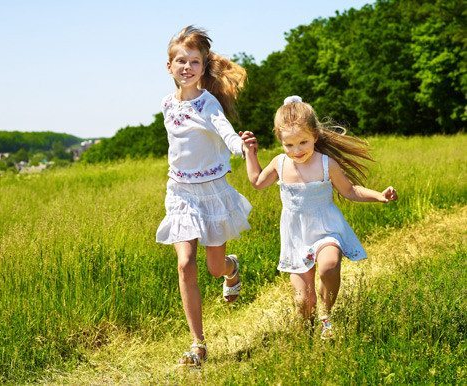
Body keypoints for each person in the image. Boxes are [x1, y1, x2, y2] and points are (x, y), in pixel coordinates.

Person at [241, 95, 397, 339]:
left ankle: (327, 314)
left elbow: (350, 191)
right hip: (296, 235)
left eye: (303, 142)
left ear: (314, 135)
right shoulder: (280, 163)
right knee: (303, 302)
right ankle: (310, 327)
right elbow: (257, 182)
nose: (297, 150)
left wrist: (379, 195)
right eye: (289, 145)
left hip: (327, 228)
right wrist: (250, 153)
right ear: (280, 141)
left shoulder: (326, 164)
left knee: (329, 265)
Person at [156, 25, 255, 366]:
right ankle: (198, 345)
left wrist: (242, 147)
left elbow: (225, 132)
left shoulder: (208, 102)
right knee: (185, 264)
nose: (186, 67)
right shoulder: (167, 104)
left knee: (213, 268)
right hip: (180, 193)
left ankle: (231, 269)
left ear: (203, 66)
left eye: (193, 61)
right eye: (180, 61)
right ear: (169, 66)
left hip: (212, 192)